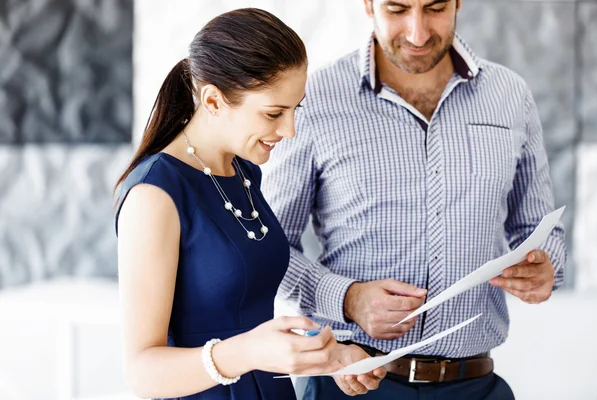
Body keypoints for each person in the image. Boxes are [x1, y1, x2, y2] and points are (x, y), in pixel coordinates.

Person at [262, 0, 567, 398]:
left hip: (475, 386)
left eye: (436, 9)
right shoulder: (315, 99)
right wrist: (348, 298)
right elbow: (266, 249)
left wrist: (546, 266)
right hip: (352, 385)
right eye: (397, 10)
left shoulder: (510, 96)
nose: (418, 33)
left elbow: (542, 230)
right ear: (369, 5)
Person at [114, 8, 386, 400]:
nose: (289, 130)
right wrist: (247, 353)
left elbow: (248, 314)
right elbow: (141, 373)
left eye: (296, 109)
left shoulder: (243, 173)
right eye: (274, 113)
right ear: (213, 100)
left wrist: (329, 357)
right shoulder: (154, 195)